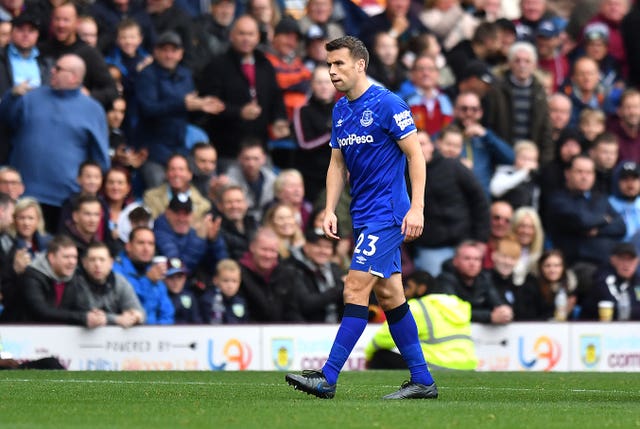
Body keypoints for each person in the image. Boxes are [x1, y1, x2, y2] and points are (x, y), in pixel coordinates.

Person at [285, 36, 437, 400]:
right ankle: (422, 380)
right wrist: (329, 208)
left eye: (339, 64)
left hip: (388, 213)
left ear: (360, 65)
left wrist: (417, 207)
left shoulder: (388, 105)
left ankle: (328, 376)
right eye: (329, 65)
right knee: (389, 293)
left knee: (354, 286)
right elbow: (337, 164)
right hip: (363, 215)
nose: (332, 71)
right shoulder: (340, 110)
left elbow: (416, 157)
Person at [0, 53, 110, 232]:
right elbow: (5, 122)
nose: (52, 71)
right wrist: (11, 97)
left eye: (58, 69)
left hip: (66, 200)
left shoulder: (93, 110)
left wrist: (88, 189)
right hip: (24, 196)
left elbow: (100, 159)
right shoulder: (30, 97)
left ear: (74, 77)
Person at [134, 31, 224, 188]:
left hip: (180, 146)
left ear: (181, 54)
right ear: (156, 52)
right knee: (158, 189)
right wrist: (183, 104)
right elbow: (148, 109)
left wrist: (203, 106)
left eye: (173, 51)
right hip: (154, 147)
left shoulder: (185, 75)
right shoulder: (147, 75)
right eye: (164, 50)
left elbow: (189, 109)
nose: (169, 55)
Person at [196, 15, 289, 160]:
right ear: (231, 35)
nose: (246, 38)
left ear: (257, 37)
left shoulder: (265, 65)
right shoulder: (217, 66)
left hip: (260, 149)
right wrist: (239, 112)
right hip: (227, 151)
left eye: (250, 34)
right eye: (241, 33)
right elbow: (209, 104)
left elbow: (276, 97)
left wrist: (279, 120)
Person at [410, 130, 489, 277]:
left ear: (432, 146)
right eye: (414, 145)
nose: (419, 149)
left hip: (464, 241)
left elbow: (480, 201)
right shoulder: (404, 175)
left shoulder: (454, 166)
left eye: (423, 144)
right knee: (436, 292)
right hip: (430, 247)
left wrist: (481, 238)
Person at [547, 154, 626, 267]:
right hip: (576, 264)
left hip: (607, 264)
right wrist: (604, 218)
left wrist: (598, 231)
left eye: (589, 173)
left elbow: (620, 226)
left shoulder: (600, 198)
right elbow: (582, 221)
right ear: (568, 173)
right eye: (579, 172)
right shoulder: (558, 199)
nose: (584, 177)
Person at [38, 2, 119, 107]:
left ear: (77, 23)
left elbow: (112, 91)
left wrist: (89, 96)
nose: (61, 25)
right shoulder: (40, 50)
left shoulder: (89, 53)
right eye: (57, 19)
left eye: (66, 20)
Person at [21, 234, 107, 327]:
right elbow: (41, 312)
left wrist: (95, 315)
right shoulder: (32, 276)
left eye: (74, 257)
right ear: (52, 258)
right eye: (66, 257)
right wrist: (82, 317)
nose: (72, 262)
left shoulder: (74, 276)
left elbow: (82, 306)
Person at [437, 240, 513, 325]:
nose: (472, 263)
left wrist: (504, 311)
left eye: (477, 259)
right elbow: (452, 311)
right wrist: (489, 316)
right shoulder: (445, 279)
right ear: (455, 261)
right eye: (467, 258)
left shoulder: (484, 278)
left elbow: (497, 302)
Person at [0, 197, 51, 322]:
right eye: (21, 218)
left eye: (30, 218)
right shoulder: (5, 243)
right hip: (15, 309)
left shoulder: (48, 244)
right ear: (14, 220)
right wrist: (15, 270)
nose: (26, 223)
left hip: (44, 304)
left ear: (38, 220)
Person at [292, 64, 336, 203]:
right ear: (312, 85)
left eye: (328, 82)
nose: (324, 86)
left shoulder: (344, 108)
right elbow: (304, 143)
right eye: (319, 82)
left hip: (337, 174)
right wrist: (332, 135)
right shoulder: (302, 110)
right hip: (312, 176)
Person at [153, 194, 228, 276]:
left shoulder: (193, 232)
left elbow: (221, 266)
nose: (181, 219)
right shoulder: (160, 232)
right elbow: (178, 267)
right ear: (167, 213)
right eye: (177, 213)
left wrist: (213, 241)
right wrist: (199, 239)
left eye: (186, 214)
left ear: (192, 215)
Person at [112, 226, 174, 324]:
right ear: (128, 246)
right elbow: (131, 307)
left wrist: (159, 334)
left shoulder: (154, 270)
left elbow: (167, 313)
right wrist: (148, 281)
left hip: (155, 336)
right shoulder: (116, 271)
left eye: (151, 244)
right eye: (141, 243)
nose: (146, 248)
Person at [280, 227, 344, 323]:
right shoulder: (292, 268)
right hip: (306, 330)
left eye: (327, 247)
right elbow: (305, 304)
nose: (323, 251)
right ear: (306, 247)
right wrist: (340, 288)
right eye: (317, 246)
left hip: (336, 328)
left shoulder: (334, 269)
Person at [238, 227, 299, 322]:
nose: (268, 255)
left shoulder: (286, 273)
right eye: (264, 249)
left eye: (272, 251)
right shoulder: (239, 273)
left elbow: (291, 311)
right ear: (252, 247)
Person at [78, 241, 145, 327]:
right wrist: (117, 319)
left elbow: (139, 312)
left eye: (102, 260)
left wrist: (135, 316)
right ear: (84, 263)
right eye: (92, 260)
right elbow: (91, 315)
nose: (97, 264)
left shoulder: (119, 282)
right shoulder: (78, 281)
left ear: (111, 263)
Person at [142, 154, 212, 226]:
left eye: (181, 169)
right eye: (172, 169)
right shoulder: (151, 197)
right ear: (166, 173)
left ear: (190, 174)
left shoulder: (204, 205)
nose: (176, 174)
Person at [582, 242, 640, 321]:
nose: (626, 264)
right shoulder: (603, 280)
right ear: (613, 260)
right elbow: (616, 309)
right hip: (595, 329)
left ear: (637, 261)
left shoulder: (637, 282)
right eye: (622, 259)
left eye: (630, 260)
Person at [225, 139, 277, 223]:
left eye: (256, 159)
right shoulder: (228, 180)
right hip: (238, 222)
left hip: (267, 222)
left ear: (263, 159)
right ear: (239, 158)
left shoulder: (272, 179)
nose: (251, 164)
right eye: (247, 159)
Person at [518, 249, 578, 321]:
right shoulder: (531, 288)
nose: (552, 270)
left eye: (557, 266)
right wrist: (558, 313)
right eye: (547, 266)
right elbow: (529, 318)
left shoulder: (568, 287)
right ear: (541, 268)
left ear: (563, 268)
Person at [489, 140, 540, 210]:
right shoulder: (504, 171)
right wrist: (523, 172)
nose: (527, 163)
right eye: (524, 158)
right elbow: (495, 190)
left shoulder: (535, 179)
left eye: (531, 160)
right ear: (515, 158)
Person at [198, 258, 248, 324]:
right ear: (215, 280)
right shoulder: (208, 301)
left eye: (234, 281)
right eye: (225, 281)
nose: (230, 286)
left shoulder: (240, 301)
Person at [217, 184, 259, 261]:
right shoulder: (216, 230)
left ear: (246, 204)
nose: (234, 206)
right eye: (229, 202)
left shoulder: (255, 224)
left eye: (238, 201)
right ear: (220, 206)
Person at [510, 206, 545, 285]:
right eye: (522, 226)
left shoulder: (540, 257)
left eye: (530, 227)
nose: (526, 231)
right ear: (514, 227)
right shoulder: (503, 252)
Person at [163, 257, 202, 324]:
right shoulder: (160, 297)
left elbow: (196, 322)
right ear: (164, 279)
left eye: (179, 277)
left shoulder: (190, 297)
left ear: (185, 279)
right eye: (171, 277)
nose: (176, 282)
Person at [608, 161, 640, 241]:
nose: (630, 184)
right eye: (625, 179)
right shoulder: (607, 205)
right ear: (616, 182)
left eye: (634, 179)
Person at [607, 89, 640, 164]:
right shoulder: (610, 131)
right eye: (628, 107)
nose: (633, 112)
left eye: (636, 107)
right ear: (620, 110)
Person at [482, 200, 513, 270]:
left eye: (507, 220)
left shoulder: (515, 249)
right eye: (496, 218)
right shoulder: (476, 246)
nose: (501, 223)